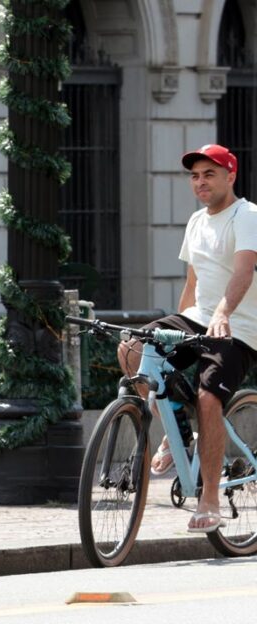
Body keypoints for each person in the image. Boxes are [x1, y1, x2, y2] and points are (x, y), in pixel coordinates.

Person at [117, 144, 257, 533]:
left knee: (209, 398)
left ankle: (209, 498)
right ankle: (176, 431)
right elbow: (193, 283)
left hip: (241, 327)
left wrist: (224, 314)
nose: (200, 182)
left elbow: (243, 272)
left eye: (209, 174)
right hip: (199, 318)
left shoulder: (247, 217)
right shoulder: (196, 222)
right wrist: (171, 330)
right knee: (132, 349)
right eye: (195, 176)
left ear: (231, 176)